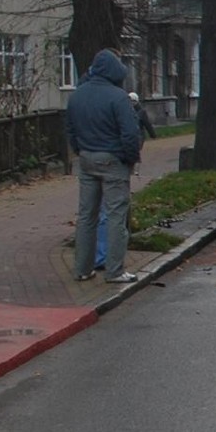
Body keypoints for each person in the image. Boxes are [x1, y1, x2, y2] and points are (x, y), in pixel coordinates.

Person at [66, 49, 140, 283]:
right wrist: (130, 159)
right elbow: (130, 134)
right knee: (116, 215)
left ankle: (82, 269)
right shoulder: (118, 97)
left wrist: (80, 151)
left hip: (86, 159)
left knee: (87, 216)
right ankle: (115, 270)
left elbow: (70, 130)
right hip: (113, 160)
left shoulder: (77, 95)